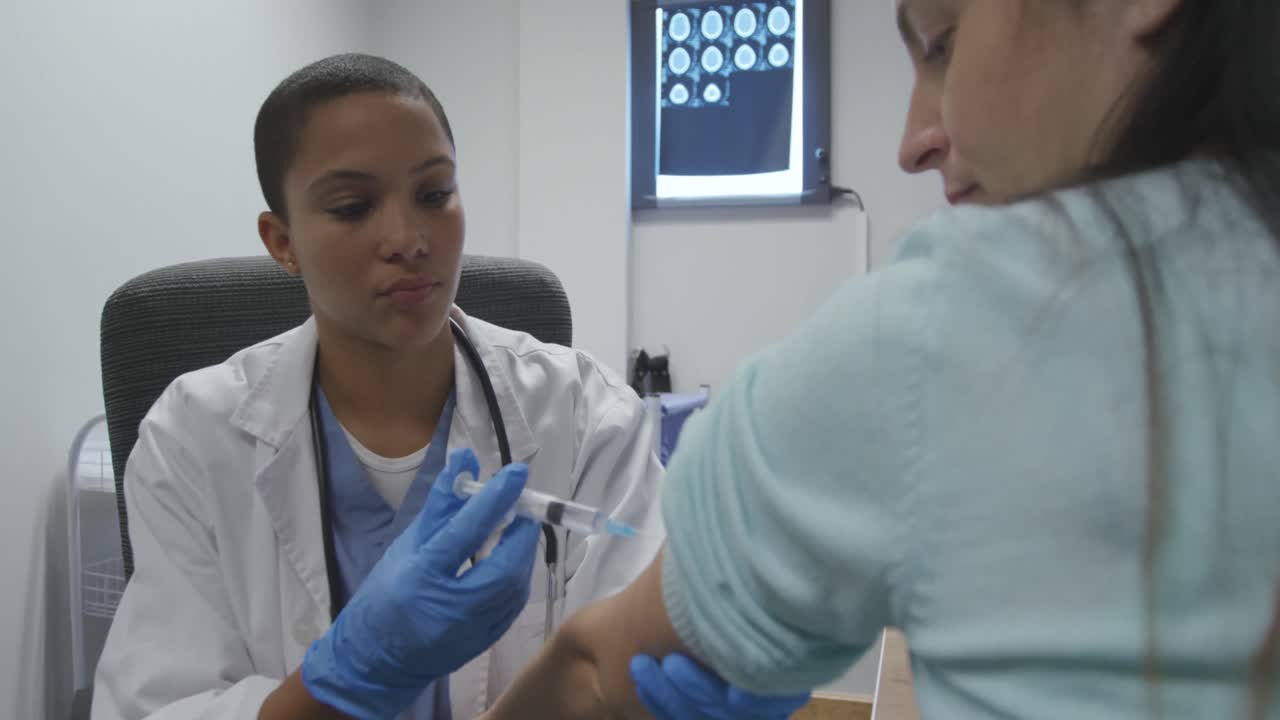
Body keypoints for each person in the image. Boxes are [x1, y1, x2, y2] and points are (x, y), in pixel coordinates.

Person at [478, 1, 1280, 718]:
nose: (910, 142)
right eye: (350, 205)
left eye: (941, 44)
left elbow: (593, 668)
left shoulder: (937, 334)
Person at [91, 53, 804, 720]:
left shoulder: (581, 412)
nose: (408, 237)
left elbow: (628, 647)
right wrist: (343, 676)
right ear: (282, 242)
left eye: (435, 192)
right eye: (351, 207)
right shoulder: (192, 435)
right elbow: (159, 707)